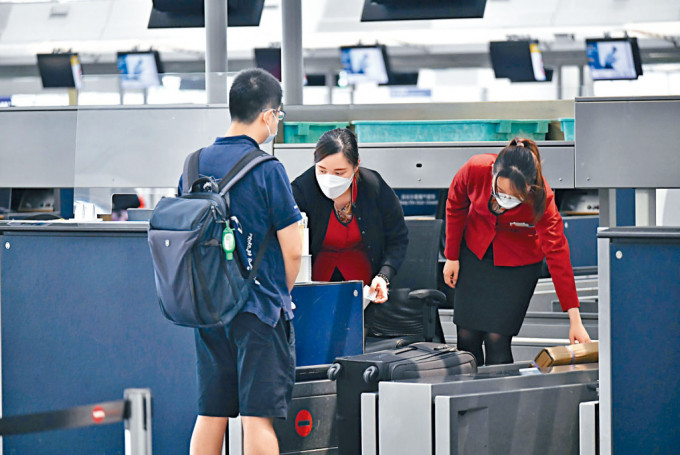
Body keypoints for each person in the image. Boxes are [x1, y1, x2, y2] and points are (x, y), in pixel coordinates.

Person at [185, 68, 302, 455]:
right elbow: (293, 248)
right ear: (268, 115)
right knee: (257, 416)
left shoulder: (193, 166)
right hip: (258, 311)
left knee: (211, 413)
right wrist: (280, 295)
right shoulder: (269, 170)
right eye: (279, 116)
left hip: (208, 308)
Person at [443, 137, 591, 366]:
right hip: (475, 252)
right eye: (499, 190)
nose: (502, 201)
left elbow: (557, 254)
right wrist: (451, 256)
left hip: (518, 264)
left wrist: (575, 319)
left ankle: (498, 399)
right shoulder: (475, 168)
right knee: (466, 335)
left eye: (513, 197)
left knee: (496, 338)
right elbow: (455, 204)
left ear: (529, 189)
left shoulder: (543, 198)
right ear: (493, 172)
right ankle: (464, 398)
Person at [291, 128, 408, 303]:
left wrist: (384, 275)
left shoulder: (373, 187)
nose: (329, 179)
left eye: (339, 173)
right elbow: (286, 245)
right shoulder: (301, 191)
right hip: (313, 288)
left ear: (356, 166)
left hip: (367, 289)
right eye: (322, 170)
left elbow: (397, 238)